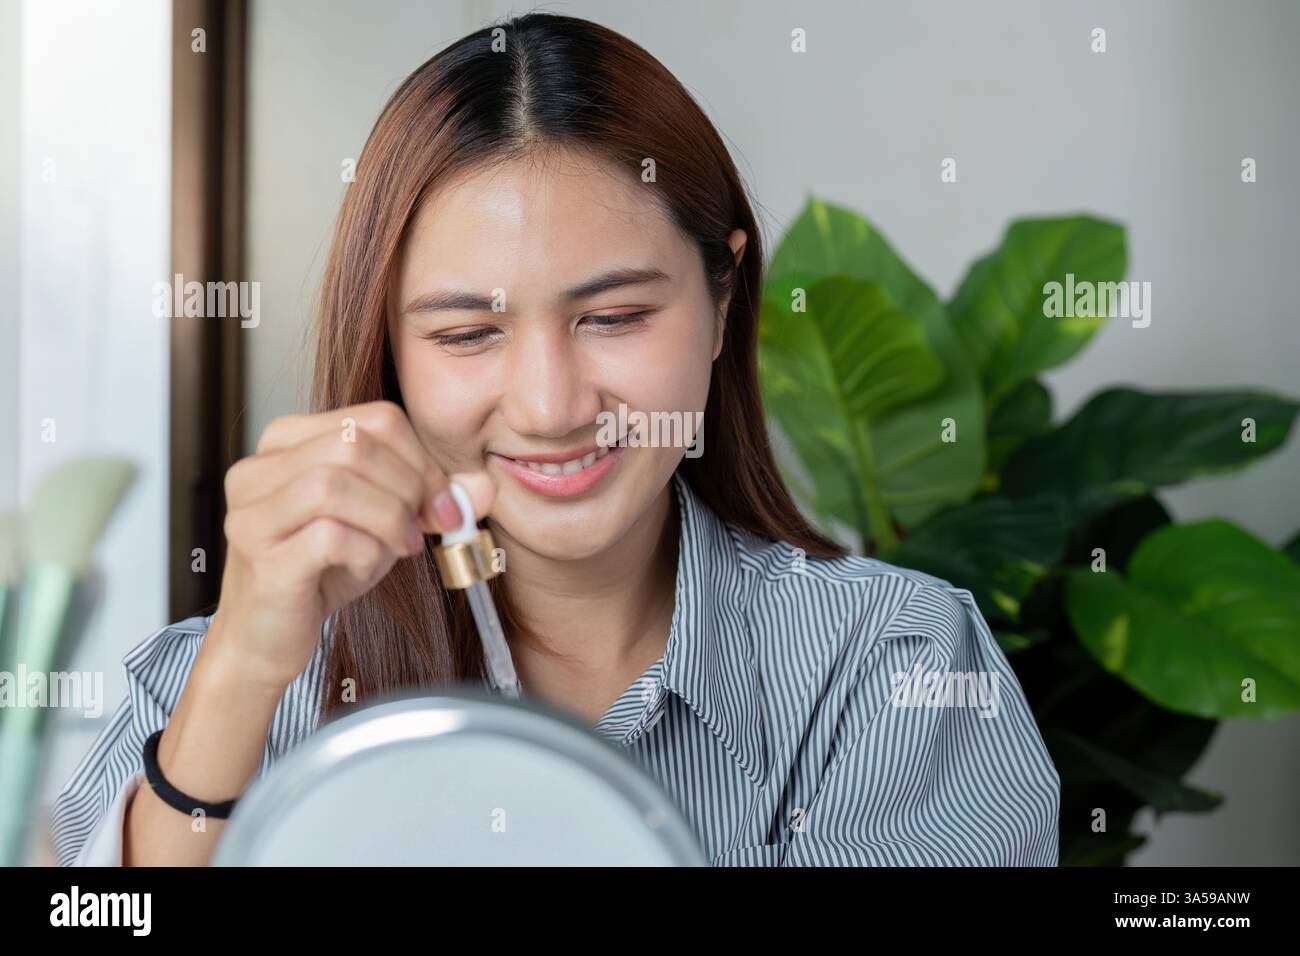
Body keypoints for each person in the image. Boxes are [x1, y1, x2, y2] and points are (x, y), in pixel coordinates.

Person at [49, 11, 1059, 867]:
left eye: (614, 316)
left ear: (719, 299)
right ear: (390, 351)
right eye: (468, 334)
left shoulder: (890, 667)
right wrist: (238, 673)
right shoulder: (206, 686)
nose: (546, 404)